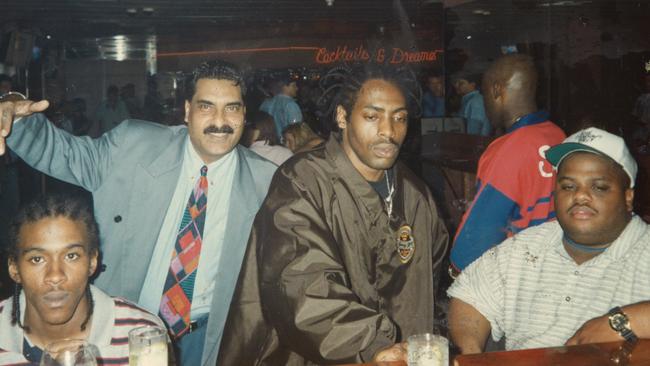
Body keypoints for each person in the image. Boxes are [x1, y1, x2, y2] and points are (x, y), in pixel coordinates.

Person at [0, 59, 277, 366]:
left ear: (244, 114)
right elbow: (64, 153)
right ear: (187, 111)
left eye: (232, 108)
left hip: (207, 335)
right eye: (206, 106)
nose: (220, 120)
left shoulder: (267, 182)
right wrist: (13, 114)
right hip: (124, 331)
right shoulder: (134, 145)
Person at [217, 63, 449, 365]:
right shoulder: (301, 181)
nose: (389, 131)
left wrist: (436, 345)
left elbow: (437, 288)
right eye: (372, 116)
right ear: (342, 117)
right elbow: (302, 288)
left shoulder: (417, 195)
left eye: (400, 118)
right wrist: (375, 345)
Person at [448, 127, 650, 353]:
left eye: (599, 187)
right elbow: (470, 297)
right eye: (568, 186)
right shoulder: (527, 246)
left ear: (628, 197)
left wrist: (623, 322)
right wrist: (469, 353)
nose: (580, 196)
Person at [0, 194, 167, 364]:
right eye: (37, 259)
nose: (55, 276)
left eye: (71, 256)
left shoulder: (144, 337)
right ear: (14, 268)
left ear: (92, 262)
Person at [450, 54, 566, 273]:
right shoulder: (558, 135)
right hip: (553, 267)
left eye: (484, 94)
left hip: (517, 276)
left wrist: (455, 267)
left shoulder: (506, 149)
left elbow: (473, 244)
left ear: (496, 90)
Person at [259, 75, 303, 141]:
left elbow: (260, 124)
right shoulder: (290, 105)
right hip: (285, 143)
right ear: (285, 87)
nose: (297, 88)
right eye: (294, 85)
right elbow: (296, 131)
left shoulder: (266, 103)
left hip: (269, 142)